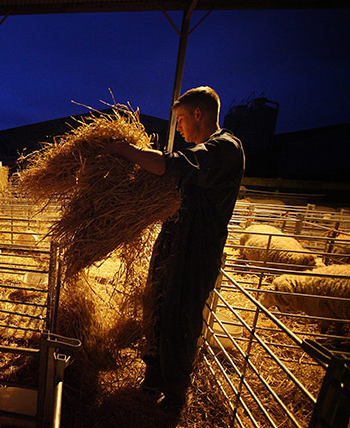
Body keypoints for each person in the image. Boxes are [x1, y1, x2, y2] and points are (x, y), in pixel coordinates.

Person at [105, 86, 245, 410]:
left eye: (181, 120)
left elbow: (170, 165)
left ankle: (175, 393)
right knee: (157, 307)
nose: (178, 128)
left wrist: (125, 149)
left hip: (195, 251)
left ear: (198, 114)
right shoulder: (208, 149)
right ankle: (154, 377)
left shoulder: (224, 148)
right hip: (174, 242)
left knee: (180, 317)